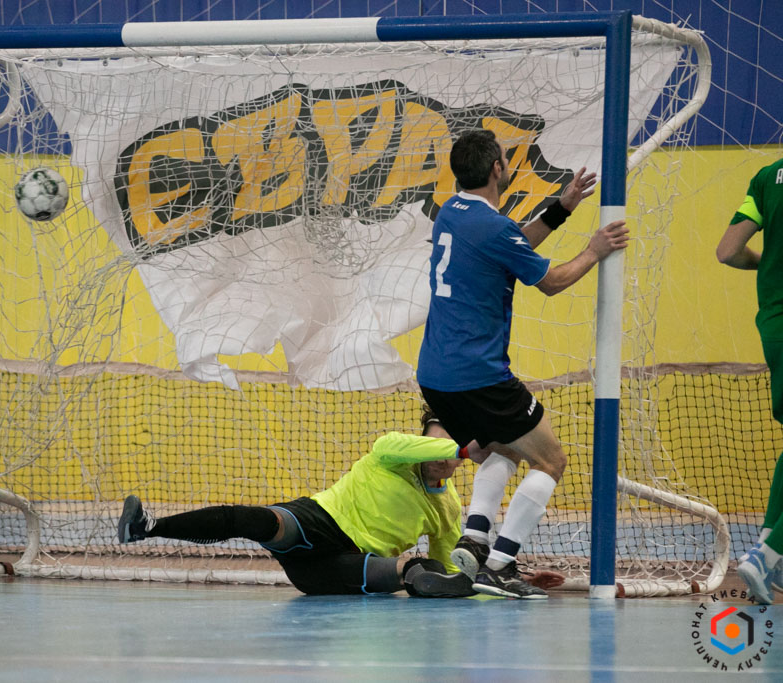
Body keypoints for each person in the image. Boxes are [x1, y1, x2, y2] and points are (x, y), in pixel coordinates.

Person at [417, 129, 629, 599]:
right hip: (479, 376)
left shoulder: (452, 211)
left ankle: (475, 540)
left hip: (434, 375)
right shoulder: (493, 227)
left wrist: (562, 207)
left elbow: (511, 246)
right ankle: (500, 564)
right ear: (497, 168)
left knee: (502, 449)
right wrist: (594, 251)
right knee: (551, 460)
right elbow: (551, 281)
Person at [118, 407, 564, 598]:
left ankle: (411, 576)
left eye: (452, 448)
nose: (443, 456)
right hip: (319, 521)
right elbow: (412, 446)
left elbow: (455, 569)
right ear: (423, 439)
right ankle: (149, 527)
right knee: (256, 521)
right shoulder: (391, 451)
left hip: (340, 566)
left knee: (421, 571)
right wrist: (464, 449)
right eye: (437, 442)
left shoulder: (446, 509)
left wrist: (506, 583)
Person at [717, 157, 783, 604]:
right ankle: (765, 556)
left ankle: (768, 557)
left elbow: (728, 251)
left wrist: (769, 262)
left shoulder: (767, 177)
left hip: (774, 324)